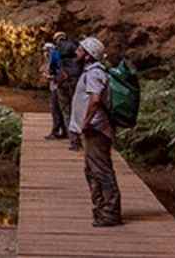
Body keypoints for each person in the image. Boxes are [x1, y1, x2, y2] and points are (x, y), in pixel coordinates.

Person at [69, 36, 122, 227]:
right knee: (92, 170)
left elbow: (96, 99)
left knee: (101, 171)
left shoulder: (94, 73)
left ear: (88, 55)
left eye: (80, 49)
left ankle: (110, 213)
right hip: (93, 129)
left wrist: (85, 122)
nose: (76, 52)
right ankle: (101, 209)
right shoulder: (90, 71)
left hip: (96, 129)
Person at [53, 31, 82, 151]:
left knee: (66, 112)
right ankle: (82, 138)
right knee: (78, 110)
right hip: (77, 82)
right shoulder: (76, 48)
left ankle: (74, 141)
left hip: (63, 83)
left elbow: (53, 67)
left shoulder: (56, 51)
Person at [43, 41, 65, 139]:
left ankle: (55, 132)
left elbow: (59, 74)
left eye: (47, 50)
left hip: (57, 88)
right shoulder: (50, 60)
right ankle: (63, 131)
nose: (45, 53)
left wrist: (50, 77)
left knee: (55, 110)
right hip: (54, 87)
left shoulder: (56, 59)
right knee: (59, 110)